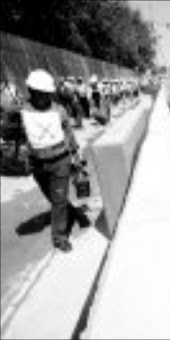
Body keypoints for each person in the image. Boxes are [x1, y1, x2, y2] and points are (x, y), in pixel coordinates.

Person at [20, 69, 90, 252]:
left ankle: (59, 237)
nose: (43, 97)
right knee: (54, 198)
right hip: (37, 164)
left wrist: (77, 156)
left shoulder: (59, 110)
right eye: (39, 93)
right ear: (31, 91)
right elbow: (12, 133)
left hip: (60, 161)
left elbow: (69, 133)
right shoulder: (22, 110)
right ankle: (74, 213)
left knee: (58, 199)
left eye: (46, 93)